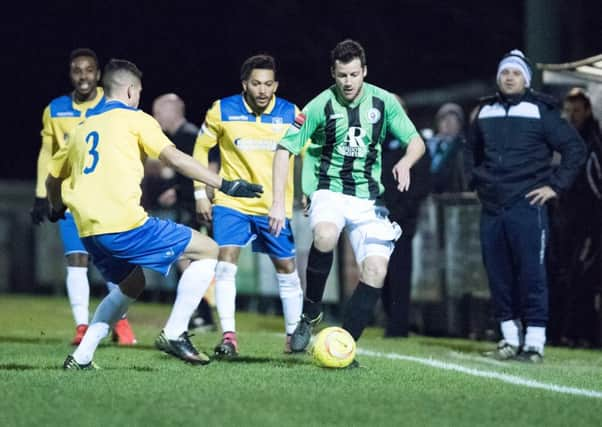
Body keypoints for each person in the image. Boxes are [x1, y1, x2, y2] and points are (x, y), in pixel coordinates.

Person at [45, 59, 262, 369]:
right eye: (139, 92)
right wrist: (224, 183)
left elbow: (52, 179)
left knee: (132, 284)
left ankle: (81, 357)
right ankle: (175, 332)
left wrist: (55, 207)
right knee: (210, 252)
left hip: (89, 231)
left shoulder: (80, 129)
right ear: (131, 90)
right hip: (125, 225)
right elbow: (173, 157)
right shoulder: (136, 119)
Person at [269, 39, 425, 358]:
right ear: (333, 73)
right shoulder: (318, 106)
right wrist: (277, 201)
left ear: (364, 72)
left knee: (376, 271)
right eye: (342, 75)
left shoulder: (384, 102)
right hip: (329, 189)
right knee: (325, 235)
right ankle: (310, 314)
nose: (348, 82)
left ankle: (344, 343)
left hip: (368, 198)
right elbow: (284, 149)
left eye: (354, 74)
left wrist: (406, 162)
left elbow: (416, 142)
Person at [466, 49, 586, 363]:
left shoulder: (541, 112)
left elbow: (575, 149)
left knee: (532, 274)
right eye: (505, 72)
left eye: (516, 73)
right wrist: (476, 182)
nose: (509, 77)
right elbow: (471, 151)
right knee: (498, 274)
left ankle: (534, 342)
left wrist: (555, 187)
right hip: (492, 208)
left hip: (526, 205)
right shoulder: (485, 112)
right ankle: (508, 338)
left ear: (526, 79)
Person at [193, 54, 304, 356]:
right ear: (245, 84)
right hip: (232, 202)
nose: (263, 90)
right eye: (256, 83)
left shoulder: (290, 113)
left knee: (287, 267)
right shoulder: (222, 110)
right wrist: (200, 193)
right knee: (226, 261)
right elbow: (200, 149)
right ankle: (229, 336)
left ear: (276, 85)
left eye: (269, 84)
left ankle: (294, 336)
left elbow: (308, 152)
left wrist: (307, 189)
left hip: (274, 206)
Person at [31, 48, 137, 346]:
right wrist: (42, 195)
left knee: (113, 262)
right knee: (76, 260)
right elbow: (48, 153)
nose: (83, 76)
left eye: (89, 70)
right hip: (70, 199)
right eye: (77, 70)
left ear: (98, 74)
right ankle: (81, 326)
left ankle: (121, 322)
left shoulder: (112, 103)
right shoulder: (55, 109)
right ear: (70, 74)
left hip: (107, 198)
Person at [152, 93, 219, 332]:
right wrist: (176, 190)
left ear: (172, 112)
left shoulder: (188, 135)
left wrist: (205, 198)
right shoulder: (180, 137)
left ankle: (202, 315)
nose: (155, 118)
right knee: (185, 259)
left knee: (189, 260)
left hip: (197, 209)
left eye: (158, 112)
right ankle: (197, 314)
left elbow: (210, 166)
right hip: (187, 206)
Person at [547, 88, 602, 347]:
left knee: (583, 277)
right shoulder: (563, 143)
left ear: (588, 111)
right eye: (568, 111)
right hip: (564, 223)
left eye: (577, 111)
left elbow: (594, 187)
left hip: (588, 224)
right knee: (565, 275)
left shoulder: (593, 143)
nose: (572, 116)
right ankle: (565, 332)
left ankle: (583, 333)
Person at [380, 95, 432, 338]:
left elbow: (421, 182)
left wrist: (401, 212)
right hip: (378, 218)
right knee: (380, 271)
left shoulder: (414, 143)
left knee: (400, 272)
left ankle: (398, 327)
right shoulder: (379, 141)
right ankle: (389, 321)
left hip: (402, 220)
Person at [426, 102, 468, 193]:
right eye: (443, 119)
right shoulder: (428, 145)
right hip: (429, 194)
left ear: (460, 124)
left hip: (453, 196)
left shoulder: (464, 147)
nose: (448, 123)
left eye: (453, 120)